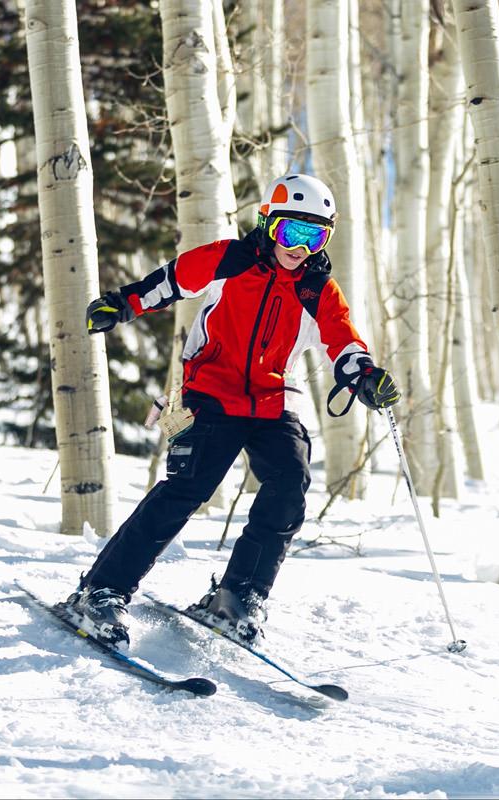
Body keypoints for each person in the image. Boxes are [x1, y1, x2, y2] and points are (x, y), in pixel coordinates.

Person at [65, 174, 400, 647]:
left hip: (273, 399)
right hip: (211, 393)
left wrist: (363, 375)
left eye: (314, 236)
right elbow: (171, 281)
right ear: (268, 222)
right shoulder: (230, 259)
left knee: (289, 485)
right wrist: (124, 305)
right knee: (187, 488)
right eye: (291, 232)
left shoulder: (318, 290)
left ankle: (238, 596)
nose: (299, 247)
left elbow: (342, 340)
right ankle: (101, 591)